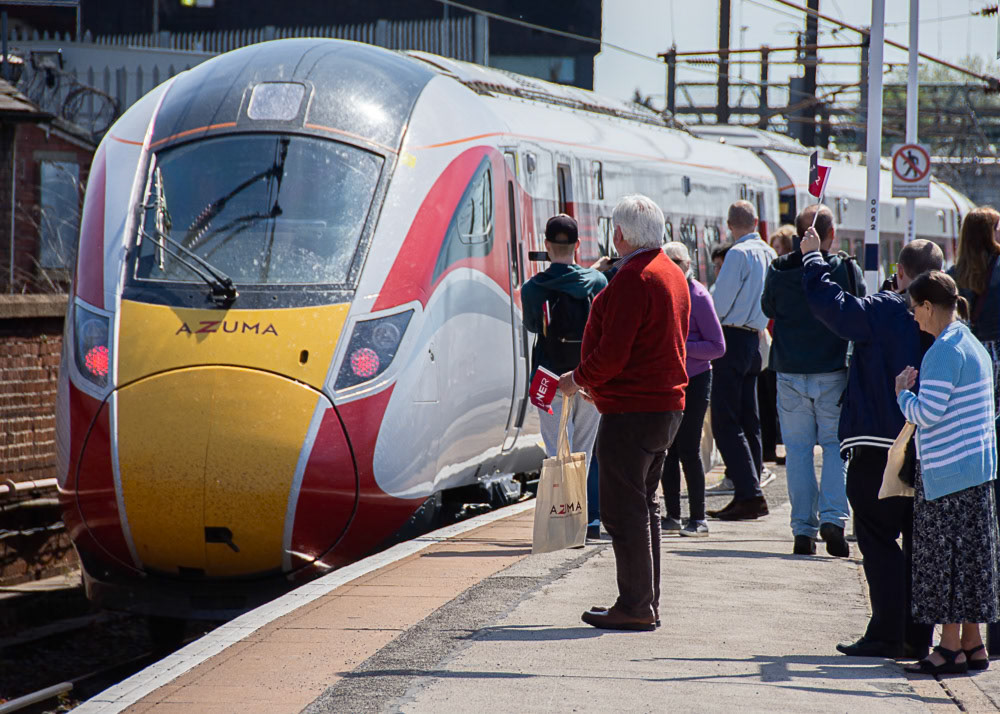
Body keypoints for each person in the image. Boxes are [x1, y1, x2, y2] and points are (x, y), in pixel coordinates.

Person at [801, 230, 941, 660]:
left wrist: (812, 259)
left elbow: (835, 309)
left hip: (877, 443)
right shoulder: (948, 317)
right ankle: (918, 635)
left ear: (900, 273)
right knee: (919, 543)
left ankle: (885, 632)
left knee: (877, 537)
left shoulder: (885, 308)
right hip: (929, 446)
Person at [558, 194, 690, 631]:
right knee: (644, 506)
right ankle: (645, 601)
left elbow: (613, 354)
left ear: (620, 234)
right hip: (664, 407)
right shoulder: (672, 272)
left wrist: (578, 380)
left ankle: (635, 606)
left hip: (633, 410)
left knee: (623, 512)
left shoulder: (635, 277)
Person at [895, 271, 999, 675]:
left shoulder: (941, 351)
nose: (914, 318)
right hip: (976, 469)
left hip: (948, 475)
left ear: (926, 306)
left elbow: (927, 414)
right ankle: (973, 644)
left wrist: (902, 392)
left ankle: (949, 648)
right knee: (970, 562)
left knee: (945, 566)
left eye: (914, 309)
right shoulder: (970, 342)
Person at [762, 205, 862, 556]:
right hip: (833, 371)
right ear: (830, 236)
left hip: (789, 371)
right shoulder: (844, 269)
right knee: (835, 448)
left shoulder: (778, 269)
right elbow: (859, 306)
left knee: (799, 451)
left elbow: (767, 308)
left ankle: (803, 530)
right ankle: (833, 519)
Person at [521, 214, 607, 541]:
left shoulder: (533, 288)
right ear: (577, 246)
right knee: (584, 450)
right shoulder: (597, 282)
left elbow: (532, 326)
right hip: (588, 377)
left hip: (551, 377)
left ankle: (563, 526)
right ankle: (587, 523)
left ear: (546, 246)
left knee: (558, 452)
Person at [705, 200, 776, 521]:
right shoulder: (769, 253)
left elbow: (719, 304)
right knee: (750, 418)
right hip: (754, 338)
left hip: (730, 338)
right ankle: (751, 489)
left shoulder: (737, 254)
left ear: (729, 225)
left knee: (725, 420)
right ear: (757, 222)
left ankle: (748, 493)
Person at [660, 242, 726, 537]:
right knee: (667, 449)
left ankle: (698, 518)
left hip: (696, 380)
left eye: (678, 261)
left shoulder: (698, 296)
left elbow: (717, 346)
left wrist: (680, 348)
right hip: (668, 379)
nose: (672, 266)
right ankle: (672, 515)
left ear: (688, 264)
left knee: (688, 448)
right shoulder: (663, 291)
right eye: (667, 260)